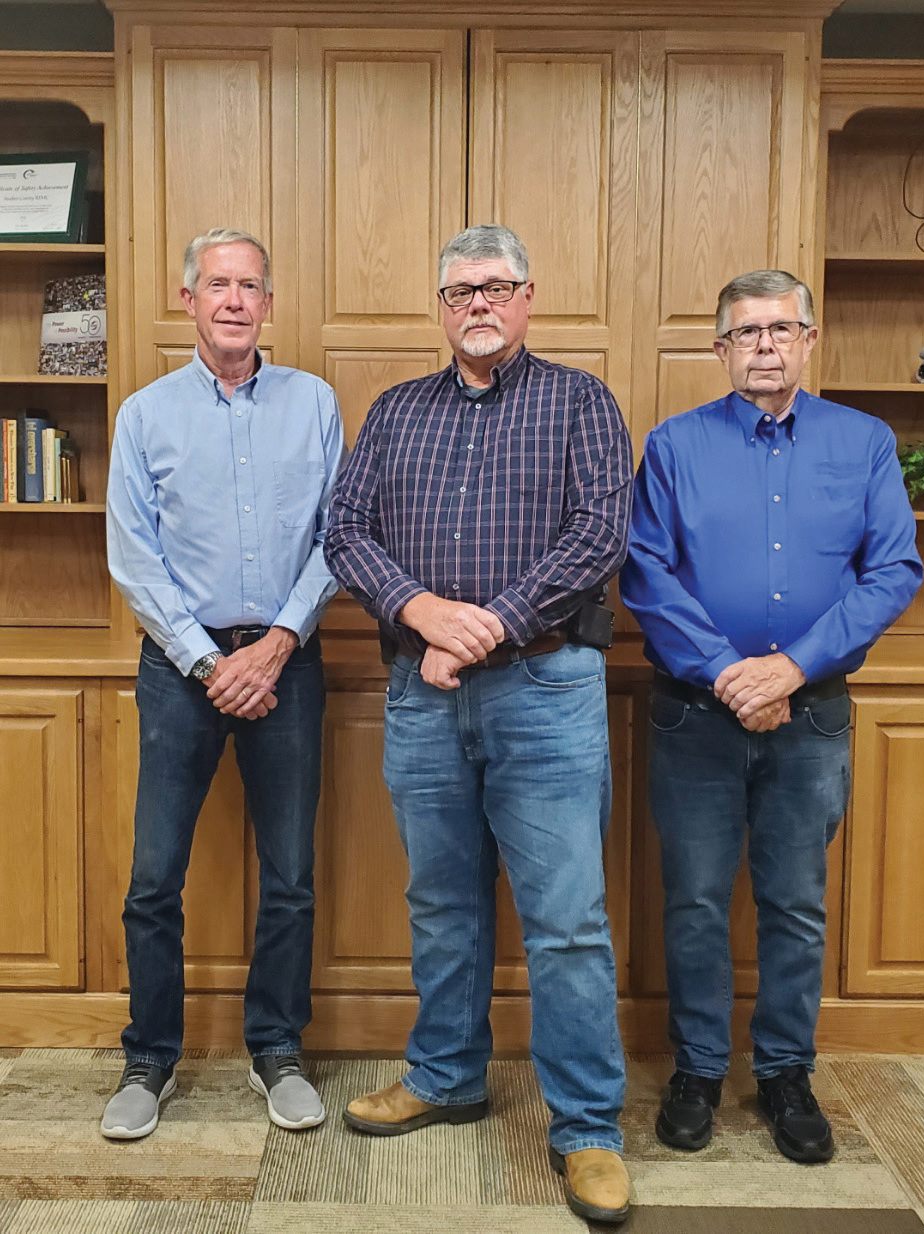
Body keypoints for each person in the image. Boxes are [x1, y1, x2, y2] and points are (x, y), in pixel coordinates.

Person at [324, 224, 633, 1226]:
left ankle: (586, 1128)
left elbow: (598, 534)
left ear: (528, 295)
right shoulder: (396, 411)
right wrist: (421, 614)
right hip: (424, 696)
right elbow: (343, 531)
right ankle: (448, 1075)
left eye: (494, 287)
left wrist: (490, 623)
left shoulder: (581, 401)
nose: (476, 305)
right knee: (441, 904)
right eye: (458, 291)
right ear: (440, 305)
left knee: (568, 923)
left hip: (544, 690)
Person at [621, 269, 922, 1164]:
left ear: (808, 340)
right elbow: (645, 573)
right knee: (696, 902)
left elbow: (892, 570)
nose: (763, 346)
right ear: (719, 349)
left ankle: (786, 1073)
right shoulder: (673, 445)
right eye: (745, 332)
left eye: (779, 330)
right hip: (694, 717)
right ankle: (699, 1071)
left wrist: (790, 667)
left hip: (813, 713)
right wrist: (729, 675)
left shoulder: (863, 441)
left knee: (794, 904)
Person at [103, 227, 345, 1140]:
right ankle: (149, 1059)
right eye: (217, 285)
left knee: (290, 875)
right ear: (188, 301)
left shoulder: (314, 403)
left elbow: (338, 534)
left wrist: (277, 644)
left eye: (250, 285)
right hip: (179, 670)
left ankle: (276, 1049)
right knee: (153, 877)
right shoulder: (145, 414)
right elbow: (134, 558)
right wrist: (210, 662)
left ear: (268, 304)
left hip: (290, 662)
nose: (234, 300)